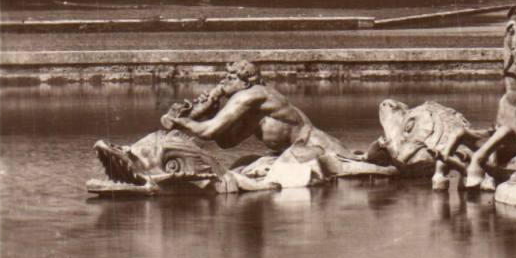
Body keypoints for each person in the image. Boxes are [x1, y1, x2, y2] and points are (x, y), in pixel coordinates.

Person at [163, 59, 393, 181]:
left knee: (365, 169)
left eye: (229, 77)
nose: (222, 82)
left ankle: (382, 154)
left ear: (245, 81)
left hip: (318, 148)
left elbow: (207, 132)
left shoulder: (251, 96)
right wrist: (209, 111)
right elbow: (226, 142)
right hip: (297, 152)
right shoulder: (252, 107)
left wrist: (180, 120)